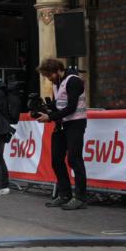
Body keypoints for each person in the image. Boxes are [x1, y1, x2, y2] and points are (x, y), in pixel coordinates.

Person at [36, 58, 88, 210]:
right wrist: (45, 109)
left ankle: (80, 197)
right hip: (62, 124)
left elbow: (71, 107)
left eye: (49, 75)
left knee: (74, 159)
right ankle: (64, 194)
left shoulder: (74, 81)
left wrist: (50, 117)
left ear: (58, 70)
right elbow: (58, 105)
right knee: (56, 160)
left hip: (75, 124)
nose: (49, 79)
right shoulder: (56, 83)